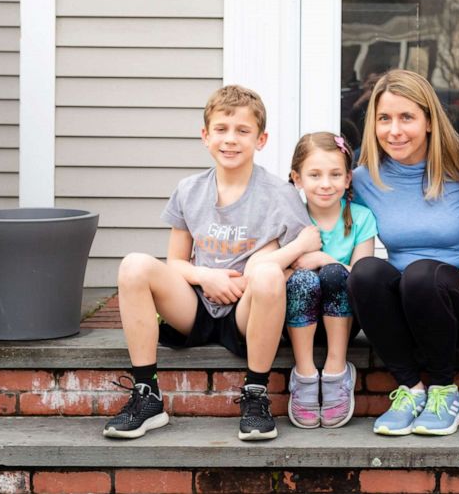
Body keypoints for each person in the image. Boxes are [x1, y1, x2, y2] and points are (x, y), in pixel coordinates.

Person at [102, 85, 319, 442]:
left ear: (261, 139)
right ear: (206, 136)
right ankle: (147, 395)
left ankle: (256, 395)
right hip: (196, 306)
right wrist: (206, 276)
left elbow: (305, 257)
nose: (230, 140)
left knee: (269, 276)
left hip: (249, 313)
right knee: (134, 265)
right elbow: (175, 261)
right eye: (221, 129)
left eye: (242, 131)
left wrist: (263, 267)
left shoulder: (280, 194)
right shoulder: (189, 189)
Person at [347, 70, 459, 436]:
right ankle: (410, 390)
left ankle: (445, 391)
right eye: (384, 119)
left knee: (422, 273)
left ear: (429, 121)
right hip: (405, 313)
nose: (394, 130)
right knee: (364, 271)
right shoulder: (364, 179)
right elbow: (319, 215)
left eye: (406, 117)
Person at [282, 132, 378, 429]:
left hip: (345, 323)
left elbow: (361, 276)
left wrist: (325, 259)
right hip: (296, 323)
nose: (326, 184)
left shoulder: (361, 218)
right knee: (302, 281)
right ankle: (305, 373)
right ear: (297, 178)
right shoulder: (290, 217)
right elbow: (277, 273)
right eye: (315, 175)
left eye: (335, 174)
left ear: (348, 179)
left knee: (336, 274)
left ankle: (337, 369)